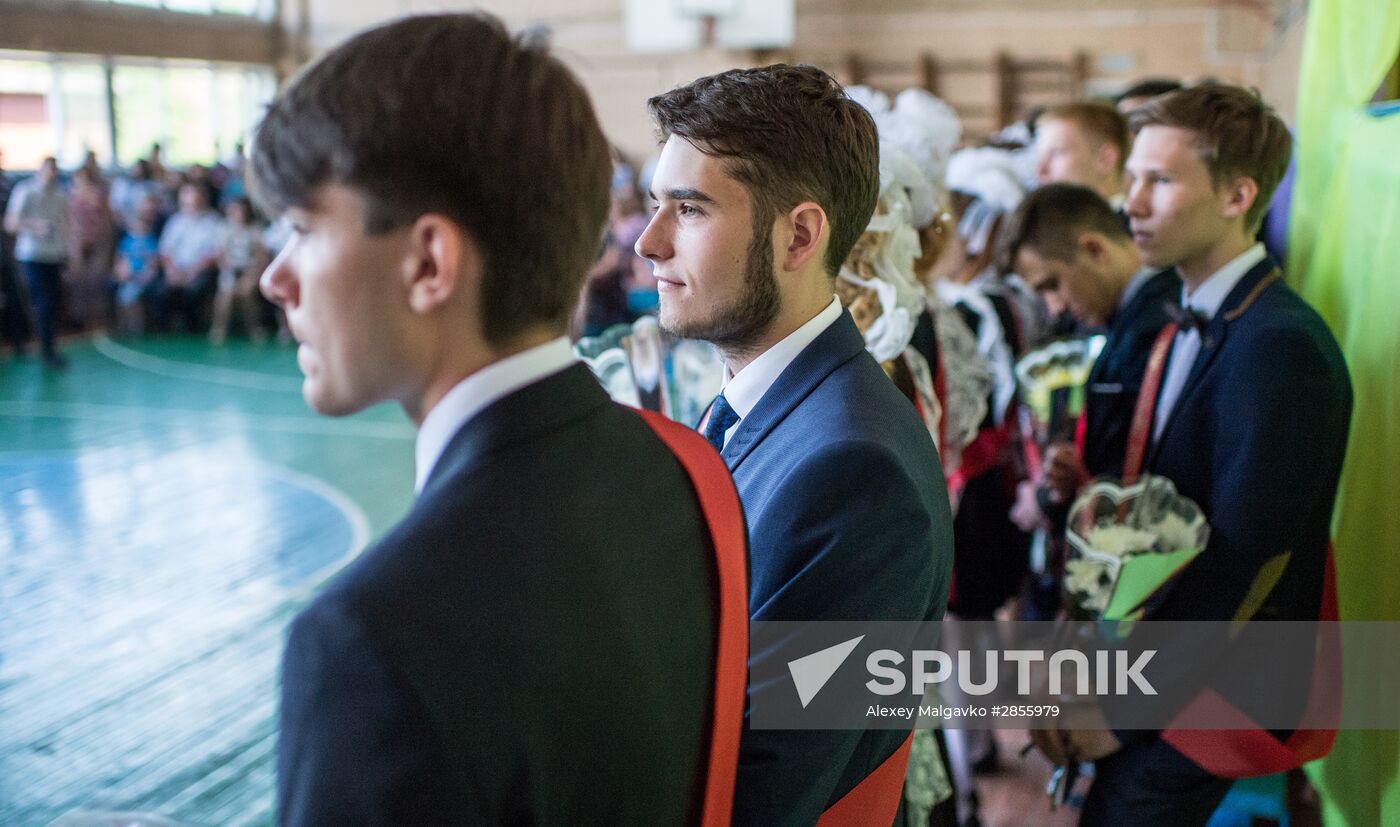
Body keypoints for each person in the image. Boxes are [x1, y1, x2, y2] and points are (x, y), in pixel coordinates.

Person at [254, 13, 746, 825]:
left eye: (305, 228)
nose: (276, 276)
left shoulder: (370, 640)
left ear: (428, 262)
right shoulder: (677, 470)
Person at [638, 64, 954, 826]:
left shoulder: (855, 468)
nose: (649, 243)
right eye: (657, 205)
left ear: (800, 235)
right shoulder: (779, 401)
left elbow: (764, 788)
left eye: (688, 208)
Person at [1036, 83, 1352, 826]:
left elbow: (1246, 561)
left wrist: (1123, 713)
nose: (1131, 203)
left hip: (1223, 685)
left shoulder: (1279, 346)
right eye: (1133, 177)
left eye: (1162, 181)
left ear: (1240, 194)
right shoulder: (1191, 317)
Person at [997, 183, 1180, 531]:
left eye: (1052, 285)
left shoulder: (1157, 325)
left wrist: (1053, 502)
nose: (1054, 308)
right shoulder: (1126, 321)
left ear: (1095, 249)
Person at [3, 157, 69, 368]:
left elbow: (66, 224)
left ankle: (50, 346)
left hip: (54, 255)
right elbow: (10, 223)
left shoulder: (60, 195)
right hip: (31, 255)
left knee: (53, 302)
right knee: (43, 302)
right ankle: (44, 348)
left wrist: (68, 250)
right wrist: (35, 226)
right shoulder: (26, 191)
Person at [1033, 101, 1130, 209]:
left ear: (1105, 159)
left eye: (1057, 152)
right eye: (1041, 156)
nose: (1041, 170)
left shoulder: (1129, 225)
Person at [156, 183, 224, 332]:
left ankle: (193, 327)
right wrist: (171, 271)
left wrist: (192, 273)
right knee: (161, 289)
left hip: (201, 270)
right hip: (176, 269)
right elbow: (165, 250)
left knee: (196, 288)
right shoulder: (175, 221)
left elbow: (213, 254)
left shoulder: (214, 222)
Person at [208, 196, 266, 344]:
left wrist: (251, 272)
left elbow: (261, 255)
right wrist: (229, 268)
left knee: (247, 292)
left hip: (250, 271)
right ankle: (219, 329)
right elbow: (220, 255)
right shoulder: (223, 229)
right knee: (226, 294)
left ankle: (254, 328)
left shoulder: (254, 230)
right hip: (229, 271)